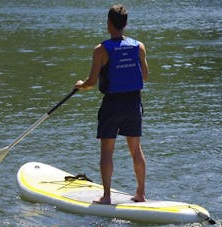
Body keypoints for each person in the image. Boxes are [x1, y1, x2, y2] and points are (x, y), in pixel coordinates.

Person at [75, 4, 149, 205]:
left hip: (112, 105)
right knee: (136, 150)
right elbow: (145, 76)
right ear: (125, 24)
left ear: (109, 24)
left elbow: (91, 82)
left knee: (107, 151)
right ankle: (140, 194)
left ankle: (107, 196)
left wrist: (81, 85)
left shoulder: (101, 50)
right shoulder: (139, 46)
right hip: (133, 103)